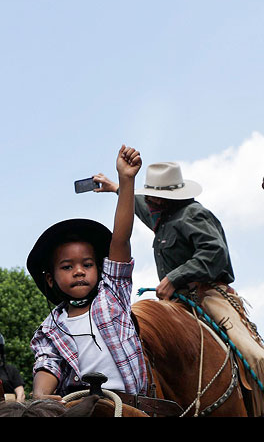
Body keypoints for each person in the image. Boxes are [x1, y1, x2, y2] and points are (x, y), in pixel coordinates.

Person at [94, 161, 264, 415]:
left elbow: (214, 252)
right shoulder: (162, 218)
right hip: (175, 303)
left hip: (208, 296)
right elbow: (139, 207)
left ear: (165, 198)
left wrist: (174, 278)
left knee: (255, 357)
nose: (148, 199)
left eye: (153, 195)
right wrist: (116, 188)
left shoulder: (194, 214)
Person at [27, 145, 147, 400]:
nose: (79, 272)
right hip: (80, 405)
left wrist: (126, 181)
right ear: (51, 278)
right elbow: (47, 364)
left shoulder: (111, 294)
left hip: (129, 404)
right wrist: (41, 395)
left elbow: (121, 239)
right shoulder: (51, 328)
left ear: (100, 268)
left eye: (87, 264)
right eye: (67, 267)